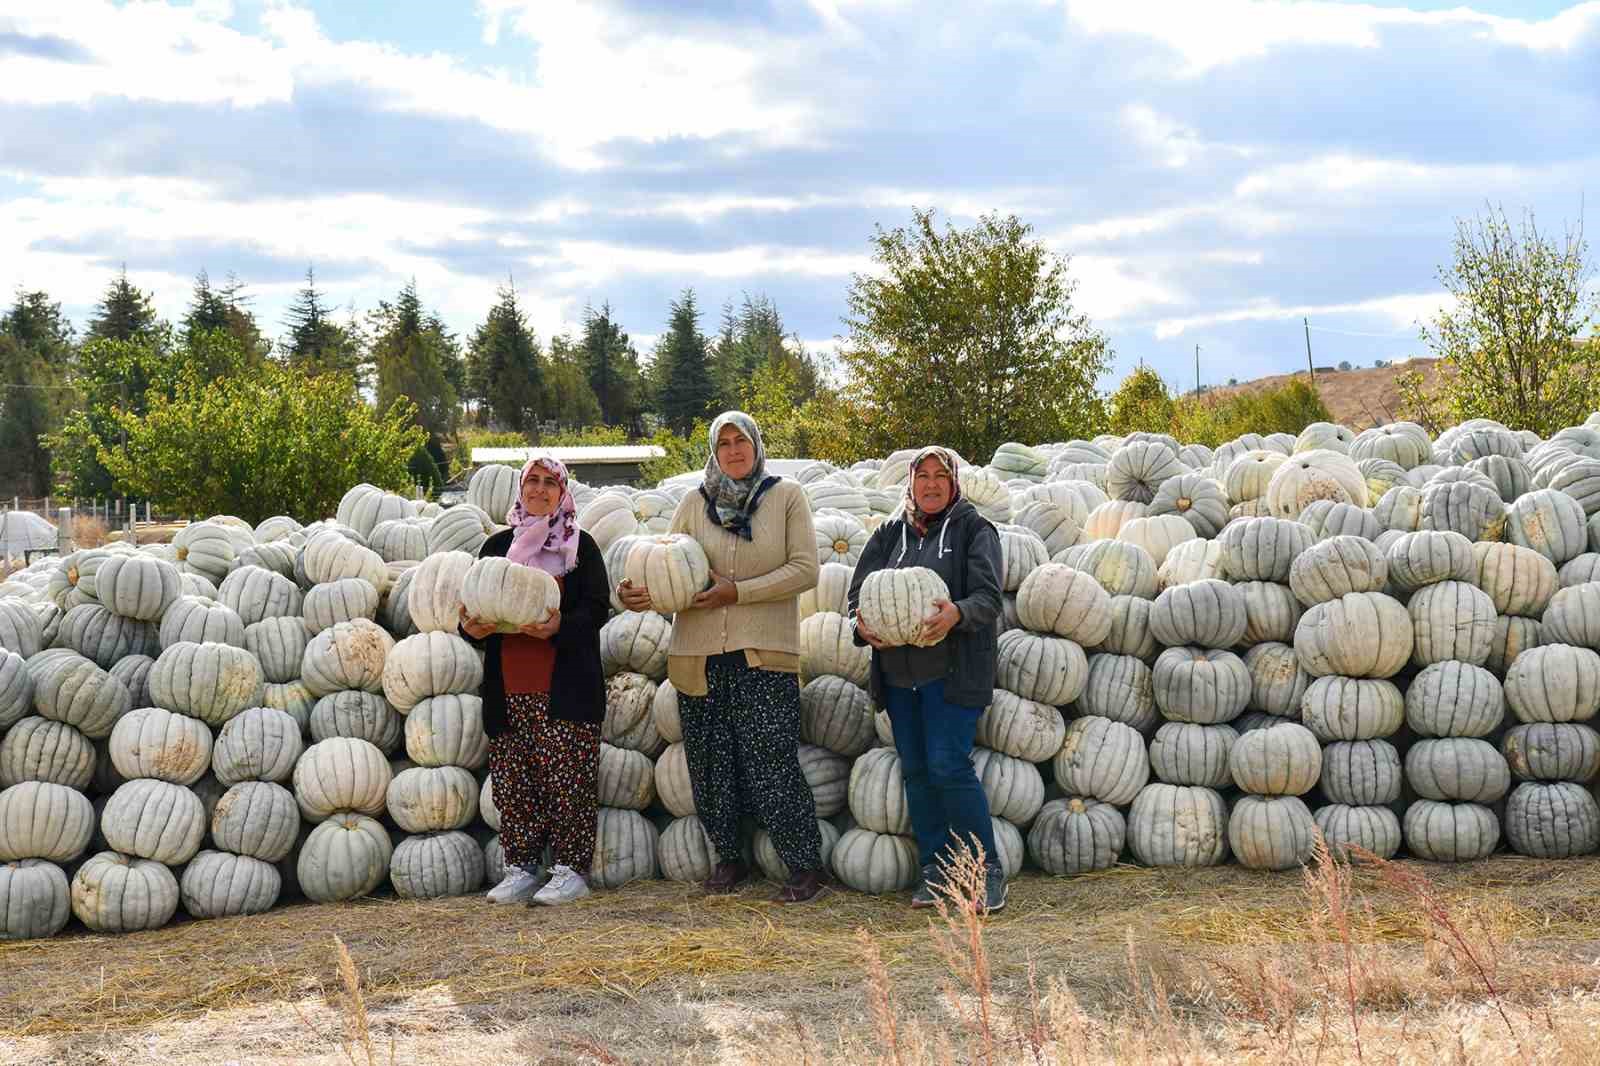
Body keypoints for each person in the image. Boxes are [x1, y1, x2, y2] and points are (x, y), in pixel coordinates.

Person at [617, 411, 827, 903]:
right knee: (711, 764)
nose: (733, 450)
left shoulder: (786, 497)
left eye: (741, 441)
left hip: (764, 651)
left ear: (756, 445)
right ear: (714, 452)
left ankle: (804, 865)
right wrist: (638, 595)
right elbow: (668, 571)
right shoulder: (693, 503)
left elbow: (806, 570)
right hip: (698, 653)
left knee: (770, 760)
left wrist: (739, 592)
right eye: (724, 443)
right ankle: (730, 858)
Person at [848, 446, 1007, 914]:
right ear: (911, 482)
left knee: (948, 766)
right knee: (916, 773)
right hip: (899, 677)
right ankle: (935, 871)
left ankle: (985, 871)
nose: (932, 484)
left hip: (953, 675)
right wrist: (860, 625)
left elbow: (989, 597)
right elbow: (856, 595)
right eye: (924, 476)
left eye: (941, 475)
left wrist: (958, 613)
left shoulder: (975, 529)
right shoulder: (888, 533)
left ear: (954, 481)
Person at [461, 456, 610, 906]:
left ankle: (570, 871)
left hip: (565, 691)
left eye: (550, 483)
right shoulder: (496, 546)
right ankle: (521, 868)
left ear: (562, 492)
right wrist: (472, 629)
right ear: (521, 488)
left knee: (568, 785)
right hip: (509, 689)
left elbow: (596, 611)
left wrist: (559, 627)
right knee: (515, 784)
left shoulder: (579, 546)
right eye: (533, 481)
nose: (540, 489)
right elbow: (469, 612)